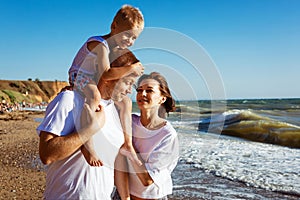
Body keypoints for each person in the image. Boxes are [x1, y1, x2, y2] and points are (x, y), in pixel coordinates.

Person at [37, 51, 140, 199]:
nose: (130, 90)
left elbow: (114, 163)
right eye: (128, 82)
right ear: (109, 77)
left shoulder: (116, 110)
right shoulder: (68, 99)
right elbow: (47, 154)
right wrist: (89, 130)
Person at [68, 4, 144, 166]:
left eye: (134, 38)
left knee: (126, 102)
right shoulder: (100, 44)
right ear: (114, 26)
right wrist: (131, 68)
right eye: (127, 35)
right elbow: (107, 74)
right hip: (79, 76)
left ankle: (128, 144)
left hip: (92, 77)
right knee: (94, 96)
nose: (130, 41)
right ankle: (86, 142)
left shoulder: (115, 47)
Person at [114, 72, 179, 200]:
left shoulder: (167, 135)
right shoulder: (129, 121)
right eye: (139, 90)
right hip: (123, 196)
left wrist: (130, 150)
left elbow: (147, 180)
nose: (142, 94)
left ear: (162, 99)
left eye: (149, 91)